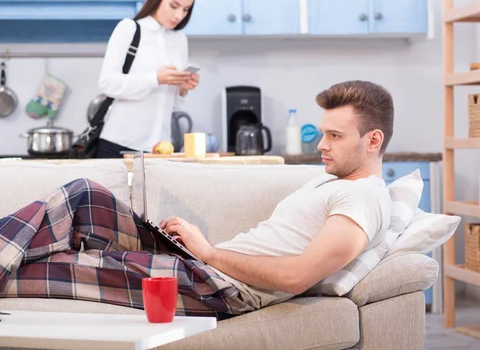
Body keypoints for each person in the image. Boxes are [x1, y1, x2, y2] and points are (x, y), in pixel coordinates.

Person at [0, 80, 394, 318]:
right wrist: (197, 251)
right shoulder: (332, 182)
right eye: (323, 133)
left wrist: (209, 253)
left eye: (335, 136)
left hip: (221, 287)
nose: (321, 144)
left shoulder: (363, 200)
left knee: (62, 265)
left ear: (372, 140)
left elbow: (296, 276)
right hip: (202, 266)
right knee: (84, 195)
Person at [95, 0, 200, 158]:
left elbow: (173, 103)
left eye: (185, 9)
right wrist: (156, 78)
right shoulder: (129, 29)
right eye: (174, 6)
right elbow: (108, 83)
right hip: (119, 143)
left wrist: (182, 88)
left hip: (160, 147)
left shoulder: (180, 40)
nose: (178, 15)